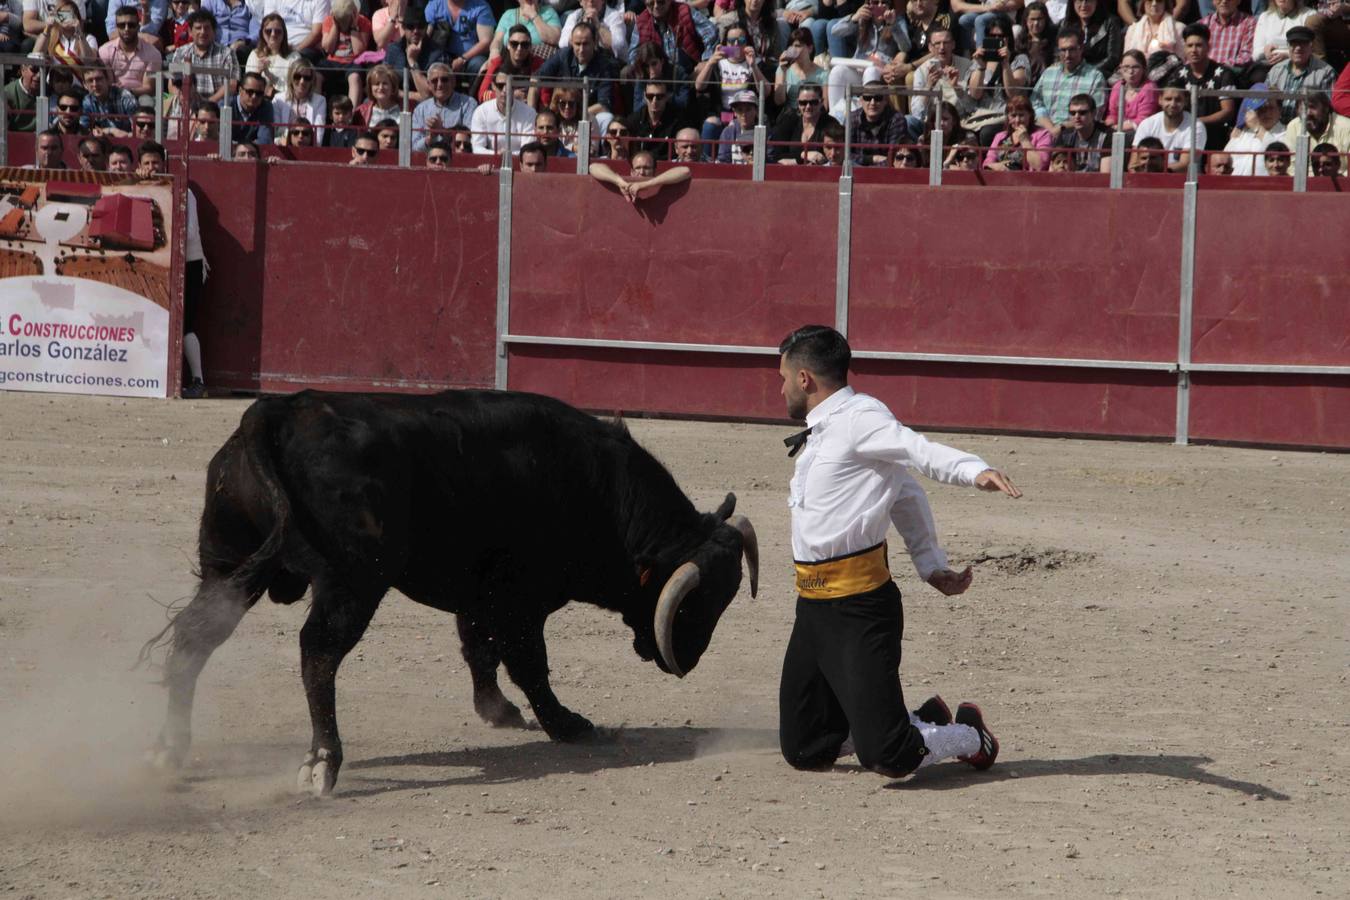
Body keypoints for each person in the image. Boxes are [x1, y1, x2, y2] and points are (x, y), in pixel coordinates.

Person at [774, 325, 1020, 781]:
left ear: (805, 378)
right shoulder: (825, 429)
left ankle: (967, 734)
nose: (781, 387)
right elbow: (905, 494)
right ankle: (909, 721)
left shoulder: (860, 418)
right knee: (806, 747)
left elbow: (917, 451)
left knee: (888, 756)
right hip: (812, 607)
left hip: (859, 608)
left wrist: (973, 469)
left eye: (784, 377)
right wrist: (929, 564)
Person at [1164, 23, 1236, 152]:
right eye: (1189, 45)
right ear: (1184, 48)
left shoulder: (1224, 73)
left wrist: (1196, 122)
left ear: (1208, 47)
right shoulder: (1177, 74)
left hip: (1215, 137)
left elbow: (1228, 111)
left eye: (1199, 45)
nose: (1193, 50)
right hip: (1184, 136)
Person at [1031, 27, 1108, 137]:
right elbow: (1035, 104)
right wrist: (1051, 128)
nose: (1067, 55)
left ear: (1081, 48)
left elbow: (1095, 115)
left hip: (1078, 137)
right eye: (1063, 50)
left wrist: (1062, 127)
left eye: (1072, 49)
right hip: (1045, 134)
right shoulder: (1049, 73)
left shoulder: (1095, 77)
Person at [537, 21, 622, 115]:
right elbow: (536, 79)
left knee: (606, 117)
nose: (581, 50)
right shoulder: (563, 56)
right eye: (577, 44)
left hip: (590, 117)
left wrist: (578, 115)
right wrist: (533, 114)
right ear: (571, 43)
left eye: (585, 44)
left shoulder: (604, 65)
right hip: (561, 115)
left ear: (594, 43)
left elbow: (604, 105)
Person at [1265, 26, 1335, 123]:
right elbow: (1262, 101)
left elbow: (1327, 109)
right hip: (1276, 128)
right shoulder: (1275, 70)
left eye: (1303, 43)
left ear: (1311, 46)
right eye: (1293, 43)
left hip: (1308, 128)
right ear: (1288, 46)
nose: (1298, 48)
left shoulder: (1326, 73)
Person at [1133, 83, 1205, 171]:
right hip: (1146, 177)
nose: (1173, 104)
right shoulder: (1147, 124)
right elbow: (1133, 163)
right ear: (1160, 100)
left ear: (1185, 101)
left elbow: (1185, 165)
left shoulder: (1196, 126)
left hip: (1181, 181)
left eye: (1178, 100)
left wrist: (1155, 173)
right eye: (1168, 99)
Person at [172, 9, 239, 103]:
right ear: (190, 31)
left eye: (207, 28)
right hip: (187, 104)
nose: (203, 32)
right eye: (198, 28)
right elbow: (172, 84)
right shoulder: (181, 52)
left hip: (216, 106)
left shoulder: (227, 53)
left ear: (214, 31)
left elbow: (232, 84)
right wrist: (181, 97)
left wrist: (208, 104)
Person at [423, 0, 496, 82]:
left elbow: (486, 41)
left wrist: (463, 59)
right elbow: (425, 35)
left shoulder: (481, 6)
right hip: (441, 56)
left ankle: (474, 94)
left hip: (471, 58)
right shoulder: (434, 5)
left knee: (478, 64)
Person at [412, 61, 478, 151]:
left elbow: (470, 139)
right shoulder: (420, 110)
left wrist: (442, 131)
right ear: (429, 85)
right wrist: (430, 138)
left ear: (453, 81)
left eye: (444, 79)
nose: (440, 84)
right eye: (434, 81)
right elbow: (414, 147)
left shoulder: (468, 103)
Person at [99, 4, 162, 96]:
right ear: (116, 27)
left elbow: (149, 88)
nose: (126, 29)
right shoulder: (105, 51)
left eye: (131, 25)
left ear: (138, 26)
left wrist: (127, 91)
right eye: (121, 25)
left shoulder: (153, 53)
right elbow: (107, 84)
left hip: (140, 98)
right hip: (112, 96)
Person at [469, 70, 536, 153]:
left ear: (515, 87)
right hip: (489, 163)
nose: (505, 90)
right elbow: (477, 148)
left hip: (520, 164)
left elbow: (528, 150)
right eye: (500, 85)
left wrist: (507, 155)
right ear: (493, 86)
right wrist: (496, 154)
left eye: (509, 86)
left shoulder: (529, 113)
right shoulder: (481, 112)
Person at [1223, 84, 1285, 174]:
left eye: (1270, 107)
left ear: (1279, 109)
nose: (1266, 112)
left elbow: (1277, 154)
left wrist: (1257, 128)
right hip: (1233, 185)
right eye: (1261, 108)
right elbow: (1225, 157)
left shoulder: (1285, 133)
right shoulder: (1243, 132)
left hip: (1263, 186)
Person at [321, 0, 373, 107]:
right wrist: (335, 25)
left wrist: (353, 26)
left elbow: (358, 51)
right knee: (316, 75)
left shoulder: (364, 22)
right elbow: (328, 49)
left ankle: (352, 114)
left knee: (354, 77)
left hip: (353, 62)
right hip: (332, 61)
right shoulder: (329, 21)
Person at [587, 149, 692, 202]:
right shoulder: (625, 184)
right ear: (632, 172)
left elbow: (685, 171)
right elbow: (593, 167)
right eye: (638, 168)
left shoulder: (658, 181)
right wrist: (619, 182)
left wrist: (645, 185)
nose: (641, 172)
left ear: (654, 171)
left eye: (646, 168)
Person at [1285, 92, 1350, 173]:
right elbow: (1291, 167)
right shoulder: (1293, 127)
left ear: (1326, 108)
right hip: (1303, 184)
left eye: (1312, 107)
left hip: (1340, 183)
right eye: (1303, 108)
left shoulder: (1346, 127)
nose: (1308, 113)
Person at [477, 23, 542, 104]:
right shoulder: (498, 62)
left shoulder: (537, 63)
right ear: (508, 45)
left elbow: (544, 96)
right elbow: (482, 95)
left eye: (524, 44)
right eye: (514, 44)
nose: (519, 48)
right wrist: (511, 95)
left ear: (530, 47)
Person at [984, 93, 1053, 169]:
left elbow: (1039, 166)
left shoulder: (1043, 134)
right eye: (1013, 116)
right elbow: (987, 163)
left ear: (1030, 115)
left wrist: (1025, 141)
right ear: (1008, 117)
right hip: (1000, 177)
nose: (1017, 120)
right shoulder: (1000, 136)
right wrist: (1001, 166)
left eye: (1021, 115)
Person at [627, 77, 689, 160]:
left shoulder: (679, 120)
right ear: (644, 96)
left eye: (659, 97)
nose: (654, 101)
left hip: (669, 166)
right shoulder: (634, 120)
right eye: (650, 96)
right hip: (641, 167)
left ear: (667, 96)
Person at [851, 76, 909, 164]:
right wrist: (873, 159)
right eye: (867, 98)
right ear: (861, 100)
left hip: (887, 174)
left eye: (878, 98)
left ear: (885, 100)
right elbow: (844, 155)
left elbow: (895, 159)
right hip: (856, 171)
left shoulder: (897, 120)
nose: (872, 103)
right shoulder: (852, 118)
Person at [769, 81, 829, 163]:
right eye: (803, 103)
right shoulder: (788, 121)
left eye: (813, 102)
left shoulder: (830, 125)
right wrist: (804, 155)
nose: (808, 107)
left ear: (821, 102)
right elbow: (778, 155)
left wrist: (793, 160)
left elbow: (830, 156)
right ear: (797, 103)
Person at [1064, 0, 1123, 80]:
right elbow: (1058, 52)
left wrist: (1087, 71)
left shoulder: (1110, 22)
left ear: (1096, 2)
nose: (1083, 5)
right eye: (1079, 1)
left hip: (1100, 75)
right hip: (1071, 73)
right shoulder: (1066, 24)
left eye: (1088, 1)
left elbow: (1112, 58)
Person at [273, 57, 327, 144]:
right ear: (291, 78)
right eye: (297, 77)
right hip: (284, 148)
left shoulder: (320, 101)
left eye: (307, 78)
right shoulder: (278, 99)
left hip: (309, 149)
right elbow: (277, 133)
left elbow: (318, 136)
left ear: (312, 81)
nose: (302, 81)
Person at [1054, 92, 1113, 170]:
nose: (1077, 116)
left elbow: (1106, 175)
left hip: (1097, 180)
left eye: (1082, 113)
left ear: (1093, 113)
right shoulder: (1065, 136)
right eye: (1072, 113)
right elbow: (1054, 167)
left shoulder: (1108, 135)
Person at [1104, 49, 1158, 132]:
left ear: (1144, 68)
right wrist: (1106, 125)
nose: (1130, 71)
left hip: (1141, 132)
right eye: (1126, 67)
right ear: (1120, 68)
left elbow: (1143, 120)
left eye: (1135, 67)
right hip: (1117, 130)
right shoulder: (1117, 86)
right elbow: (1113, 114)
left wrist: (1116, 128)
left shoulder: (1149, 89)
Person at [246, 12, 299, 97]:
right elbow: (248, 86)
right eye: (268, 31)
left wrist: (272, 81)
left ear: (284, 34)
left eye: (278, 31)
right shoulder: (254, 55)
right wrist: (258, 72)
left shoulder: (294, 57)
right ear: (262, 34)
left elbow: (296, 86)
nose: (273, 34)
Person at [81, 63, 138, 137]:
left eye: (99, 79)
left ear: (108, 80)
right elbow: (83, 129)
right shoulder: (87, 101)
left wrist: (120, 133)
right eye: (90, 81)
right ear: (84, 85)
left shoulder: (125, 97)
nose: (95, 84)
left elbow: (138, 132)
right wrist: (109, 131)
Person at [560, 0, 628, 61]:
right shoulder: (574, 16)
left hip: (609, 63)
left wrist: (598, 26)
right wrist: (582, 26)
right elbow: (563, 44)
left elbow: (619, 46)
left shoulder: (615, 16)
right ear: (580, 2)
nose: (591, 1)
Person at [490, 0, 560, 58]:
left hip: (539, 63)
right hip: (511, 63)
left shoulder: (549, 12)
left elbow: (555, 39)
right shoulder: (508, 15)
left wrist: (534, 16)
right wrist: (494, 51)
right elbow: (497, 40)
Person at [1200, 0, 1256, 72]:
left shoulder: (1249, 22)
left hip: (1232, 74)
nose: (1224, 1)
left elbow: (1246, 55)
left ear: (1239, 1)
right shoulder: (1203, 24)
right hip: (1205, 73)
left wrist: (1220, 68)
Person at [2, 62, 41, 133]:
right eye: (34, 69)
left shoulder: (47, 90)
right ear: (23, 70)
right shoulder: (7, 93)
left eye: (44, 70)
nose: (39, 75)